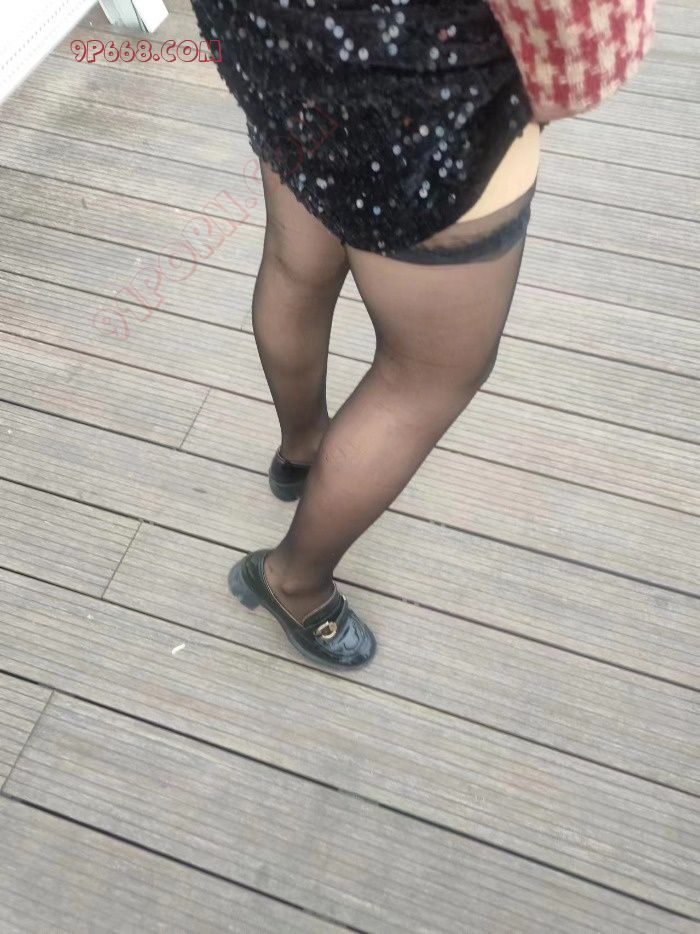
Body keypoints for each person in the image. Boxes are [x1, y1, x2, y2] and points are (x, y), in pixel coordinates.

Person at [192, 0, 542, 669]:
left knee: (297, 263)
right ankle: (292, 582)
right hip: (432, 71)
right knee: (430, 375)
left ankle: (303, 453)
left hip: (275, 26)